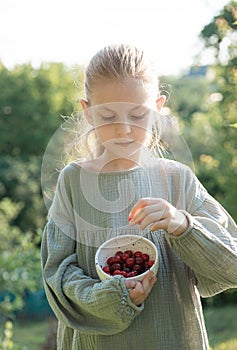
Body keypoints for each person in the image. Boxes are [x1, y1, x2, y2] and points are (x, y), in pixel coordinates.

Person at [41, 44, 237, 350]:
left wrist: (183, 225)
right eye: (108, 116)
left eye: (138, 115)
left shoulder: (177, 179)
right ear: (88, 112)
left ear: (158, 108)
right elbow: (58, 278)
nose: (124, 129)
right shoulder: (73, 182)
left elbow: (232, 264)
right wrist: (113, 298)